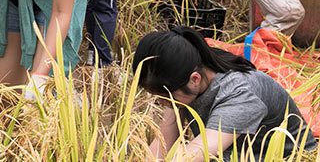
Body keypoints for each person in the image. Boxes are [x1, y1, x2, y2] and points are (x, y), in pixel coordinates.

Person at [132, 26, 316, 161]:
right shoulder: (181, 80)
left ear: (194, 79)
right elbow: (163, 143)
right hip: (235, 151)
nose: (163, 103)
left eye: (165, 97)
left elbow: (197, 154)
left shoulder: (239, 94)